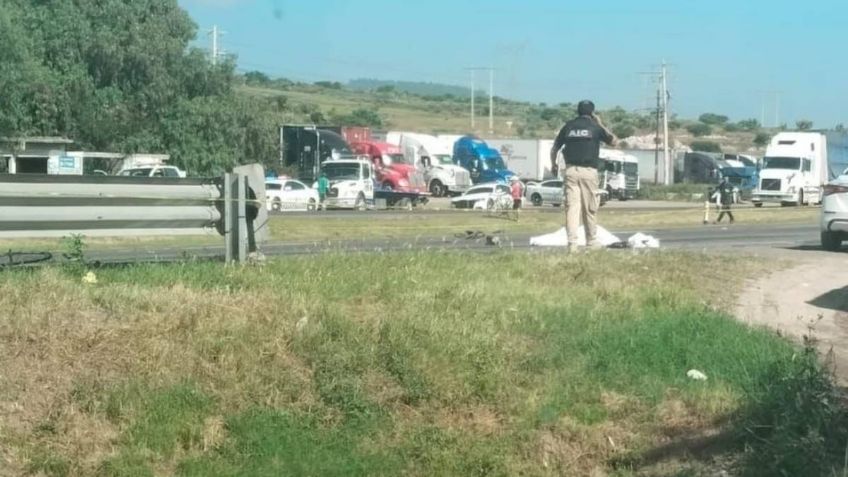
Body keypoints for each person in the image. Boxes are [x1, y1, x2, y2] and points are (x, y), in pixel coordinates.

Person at [550, 100, 617, 250]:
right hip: (588, 171)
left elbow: (554, 148)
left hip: (571, 170)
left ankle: (572, 244)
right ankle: (591, 241)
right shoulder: (595, 127)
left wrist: (554, 165)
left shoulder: (568, 126)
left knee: (572, 208)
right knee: (590, 207)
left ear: (578, 111)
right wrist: (600, 123)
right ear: (592, 112)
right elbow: (614, 141)